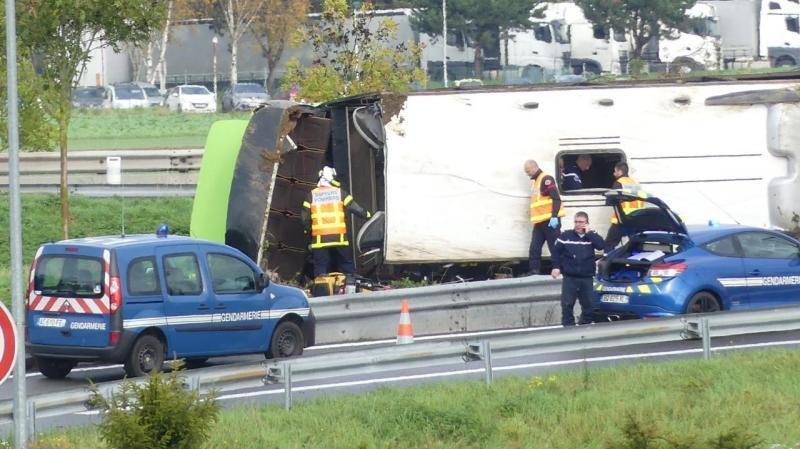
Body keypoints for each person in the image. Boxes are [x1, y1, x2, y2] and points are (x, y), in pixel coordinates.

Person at [302, 166, 371, 278]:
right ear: (332, 178)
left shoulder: (311, 195)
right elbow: (356, 208)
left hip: (320, 239)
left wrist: (308, 231)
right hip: (339, 237)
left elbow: (305, 218)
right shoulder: (340, 193)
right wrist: (368, 215)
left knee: (320, 268)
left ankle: (322, 291)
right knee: (346, 264)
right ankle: (351, 287)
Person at [551, 211, 605, 326]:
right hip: (570, 277)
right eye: (576, 222)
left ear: (587, 223)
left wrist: (589, 233)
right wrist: (556, 267)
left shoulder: (591, 236)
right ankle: (568, 328)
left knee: (589, 305)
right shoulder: (566, 236)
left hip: (586, 277)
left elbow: (601, 246)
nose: (578, 224)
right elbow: (555, 252)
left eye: (581, 222)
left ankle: (583, 326)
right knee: (567, 304)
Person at [524, 159, 565, 275]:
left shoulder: (546, 179)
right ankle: (534, 271)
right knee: (534, 248)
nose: (527, 174)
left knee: (554, 248)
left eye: (528, 171)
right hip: (540, 222)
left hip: (550, 221)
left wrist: (554, 217)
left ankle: (559, 270)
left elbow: (556, 198)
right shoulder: (536, 182)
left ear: (534, 167)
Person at [605, 161, 644, 252]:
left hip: (622, 219)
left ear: (620, 172)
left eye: (615, 171)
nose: (613, 174)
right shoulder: (635, 183)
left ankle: (607, 263)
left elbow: (610, 200)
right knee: (636, 243)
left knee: (609, 243)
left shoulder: (619, 183)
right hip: (636, 220)